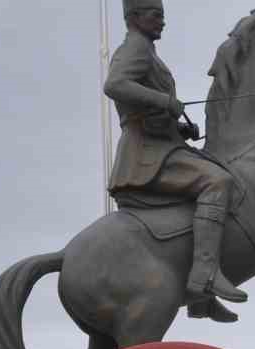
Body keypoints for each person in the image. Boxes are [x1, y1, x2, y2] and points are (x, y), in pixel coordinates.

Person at [105, 0, 246, 322]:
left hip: (161, 143)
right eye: (156, 15)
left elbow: (146, 110)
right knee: (218, 181)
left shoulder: (147, 51)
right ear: (135, 17)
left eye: (163, 16)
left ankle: (200, 298)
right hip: (146, 155)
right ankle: (205, 275)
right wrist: (164, 100)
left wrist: (179, 127)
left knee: (217, 176)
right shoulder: (135, 49)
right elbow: (115, 85)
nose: (162, 22)